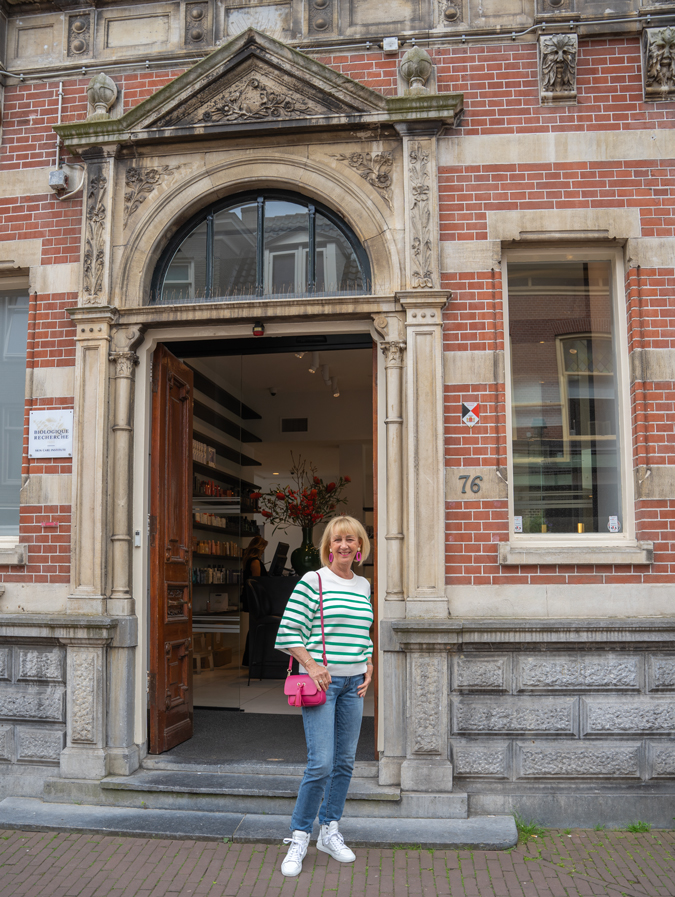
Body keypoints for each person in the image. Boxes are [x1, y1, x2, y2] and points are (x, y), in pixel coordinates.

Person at [274, 515, 373, 877]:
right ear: (328, 547)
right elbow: (287, 634)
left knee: (345, 762)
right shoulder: (313, 580)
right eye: (337, 540)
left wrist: (369, 661)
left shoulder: (363, 585)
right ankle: (299, 835)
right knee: (321, 763)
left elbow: (363, 631)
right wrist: (312, 666)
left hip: (353, 686)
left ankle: (329, 831)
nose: (344, 545)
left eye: (350, 539)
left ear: (359, 546)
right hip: (321, 684)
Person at [240, 535, 268, 667]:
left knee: (253, 627)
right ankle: (251, 658)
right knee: (255, 627)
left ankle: (249, 659)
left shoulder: (249, 561)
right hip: (255, 600)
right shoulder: (255, 562)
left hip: (251, 599)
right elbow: (257, 582)